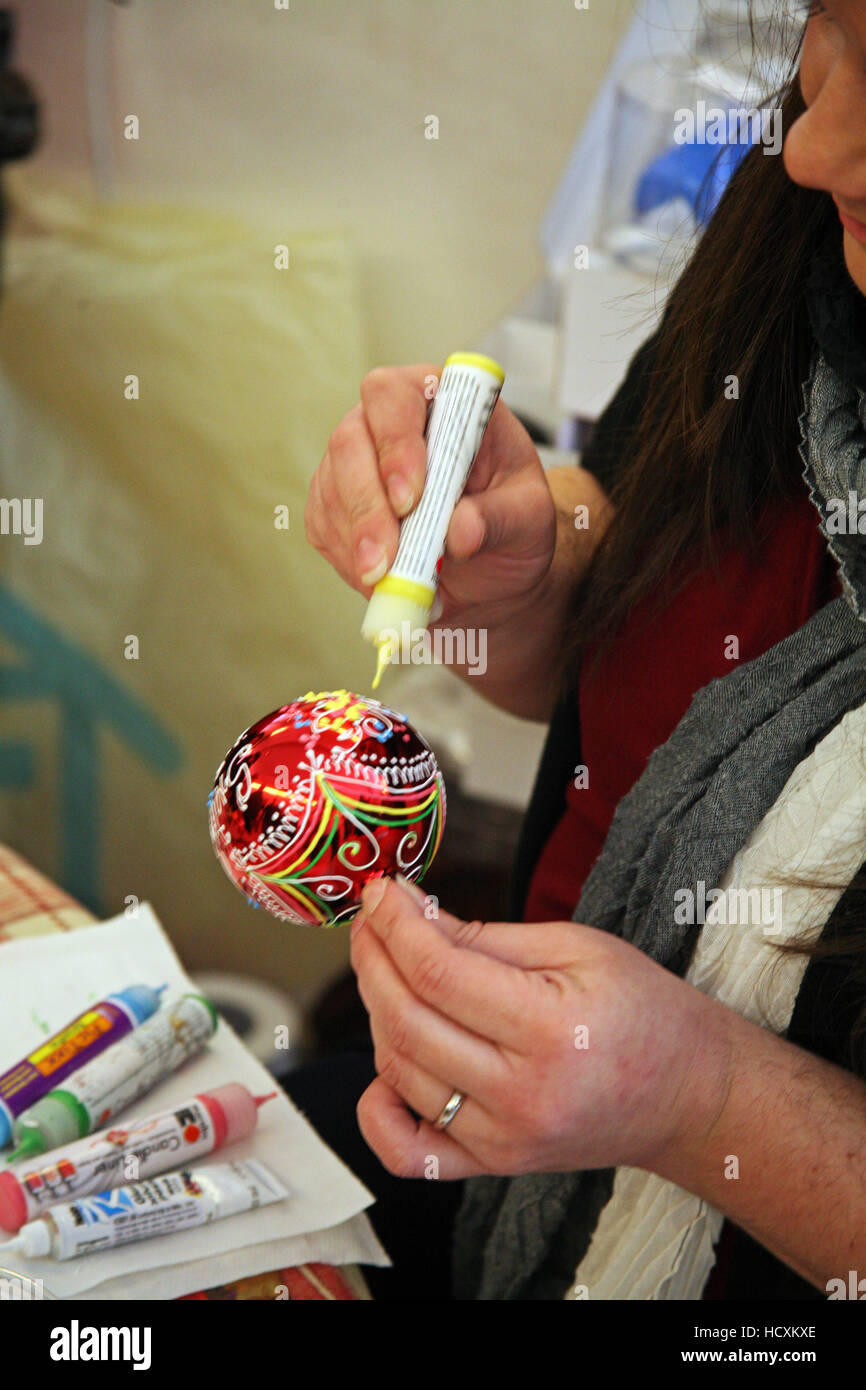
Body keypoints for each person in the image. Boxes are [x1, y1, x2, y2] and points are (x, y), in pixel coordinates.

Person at [293, 0, 866, 1301]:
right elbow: (637, 570)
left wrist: (707, 1097)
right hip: (506, 1162)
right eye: (825, 35)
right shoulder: (800, 228)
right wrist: (515, 568)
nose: (816, 144)